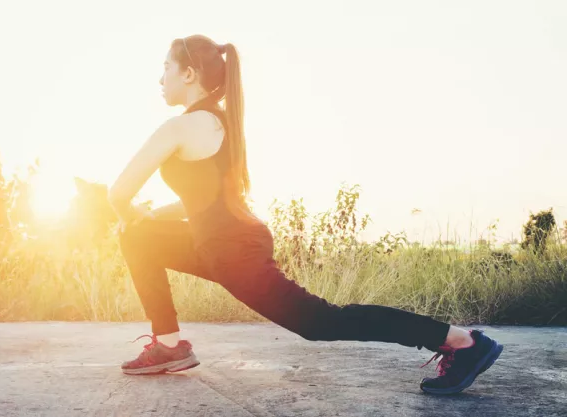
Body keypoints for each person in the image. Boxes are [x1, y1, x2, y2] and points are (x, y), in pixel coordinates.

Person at [107, 34, 503, 395]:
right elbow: (206, 199)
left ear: (189, 72)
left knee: (321, 323)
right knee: (139, 236)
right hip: (226, 241)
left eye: (166, 68)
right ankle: (169, 345)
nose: (160, 78)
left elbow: (118, 192)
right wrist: (147, 219)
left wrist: (128, 213)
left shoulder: (178, 127)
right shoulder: (220, 122)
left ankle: (460, 341)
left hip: (230, 251)